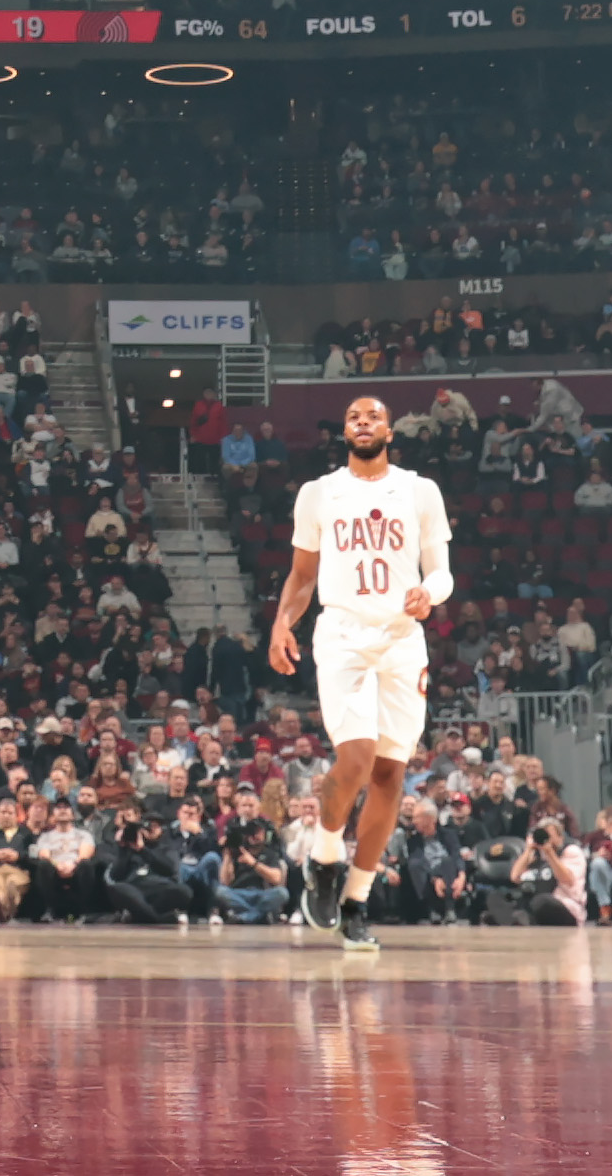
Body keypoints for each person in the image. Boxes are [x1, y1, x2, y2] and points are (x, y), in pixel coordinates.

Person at [268, 393, 454, 958]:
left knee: (390, 776)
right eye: (354, 417)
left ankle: (356, 900)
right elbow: (303, 577)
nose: (364, 423)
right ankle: (324, 858)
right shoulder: (318, 493)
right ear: (344, 430)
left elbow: (442, 569)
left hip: (402, 639)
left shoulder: (419, 490)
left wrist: (431, 593)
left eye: (373, 417)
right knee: (354, 758)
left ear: (390, 431)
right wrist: (282, 623)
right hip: (344, 634)